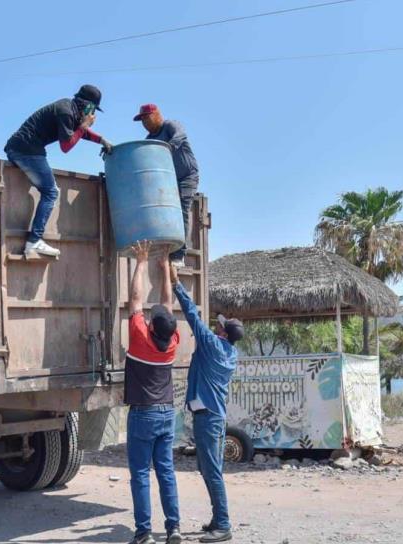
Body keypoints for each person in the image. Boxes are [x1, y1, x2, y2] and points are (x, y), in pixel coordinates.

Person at [169, 264, 244, 543]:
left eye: (220, 326)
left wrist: (177, 285)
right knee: (207, 468)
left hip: (209, 418)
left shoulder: (213, 345)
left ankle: (223, 524)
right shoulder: (229, 353)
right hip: (213, 417)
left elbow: (192, 316)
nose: (217, 325)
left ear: (223, 334)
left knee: (211, 471)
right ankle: (217, 518)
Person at [5, 84, 113, 258]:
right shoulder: (65, 111)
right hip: (26, 150)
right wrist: (84, 126)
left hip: (20, 148)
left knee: (48, 191)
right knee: (51, 192)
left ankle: (34, 241)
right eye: (93, 108)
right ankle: (34, 241)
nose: (93, 113)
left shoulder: (70, 110)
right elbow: (66, 146)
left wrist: (101, 140)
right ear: (87, 105)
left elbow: (78, 133)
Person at [124, 241, 182, 544]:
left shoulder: (139, 338)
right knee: (166, 473)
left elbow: (134, 299)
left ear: (150, 325)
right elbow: (167, 307)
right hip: (166, 412)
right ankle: (174, 529)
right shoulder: (171, 341)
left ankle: (144, 532)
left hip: (144, 413)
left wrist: (142, 261)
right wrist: (165, 271)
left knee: (140, 475)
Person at [134, 104, 199, 269]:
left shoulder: (170, 125)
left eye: (146, 118)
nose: (144, 122)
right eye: (141, 120)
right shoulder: (149, 140)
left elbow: (181, 135)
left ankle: (179, 255)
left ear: (156, 115)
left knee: (182, 209)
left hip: (187, 176)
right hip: (167, 179)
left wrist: (166, 148)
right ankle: (162, 248)